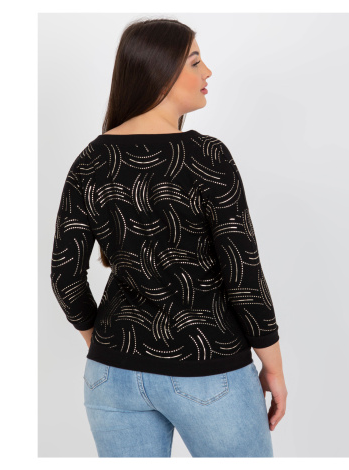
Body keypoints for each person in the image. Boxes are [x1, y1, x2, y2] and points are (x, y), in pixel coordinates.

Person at [50, 18, 288, 458]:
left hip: (111, 376)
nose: (208, 72)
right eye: (195, 62)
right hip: (208, 366)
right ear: (160, 73)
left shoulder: (91, 159)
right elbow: (243, 275)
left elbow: (65, 278)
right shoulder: (206, 156)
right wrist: (272, 366)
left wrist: (104, 344)